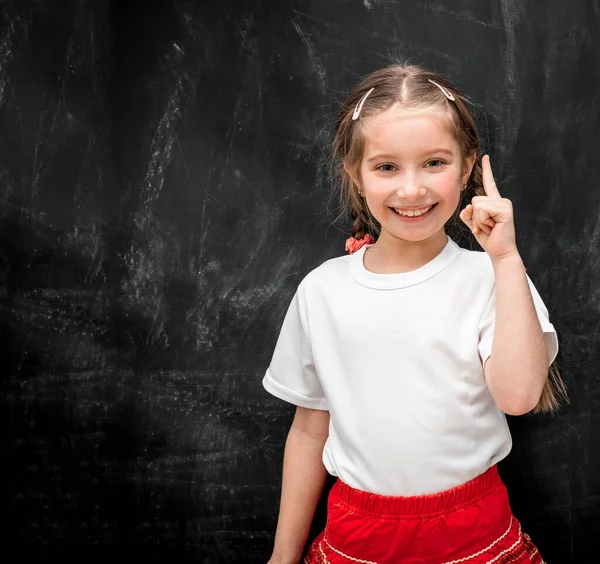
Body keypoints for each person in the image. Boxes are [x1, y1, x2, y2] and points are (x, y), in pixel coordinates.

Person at [262, 63, 567, 564]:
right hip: (356, 533)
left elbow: (517, 397)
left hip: (475, 531)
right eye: (386, 167)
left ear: (468, 168)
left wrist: (506, 260)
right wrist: (282, 555)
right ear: (355, 176)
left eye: (434, 163)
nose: (411, 190)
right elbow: (310, 430)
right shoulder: (323, 290)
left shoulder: (491, 278)